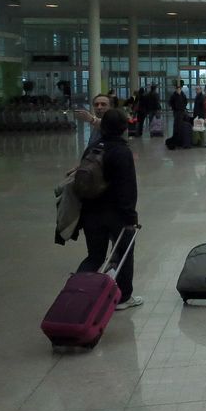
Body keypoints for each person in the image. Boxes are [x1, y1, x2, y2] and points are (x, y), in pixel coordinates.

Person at [75, 108, 143, 310]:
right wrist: (130, 217)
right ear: (124, 128)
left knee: (94, 256)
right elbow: (127, 188)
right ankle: (124, 297)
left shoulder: (93, 148)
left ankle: (75, 293)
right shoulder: (122, 151)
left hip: (91, 213)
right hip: (116, 215)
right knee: (124, 253)